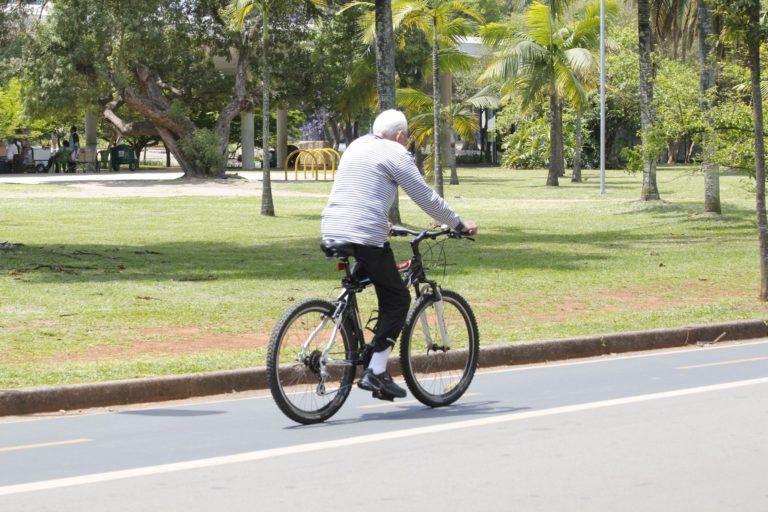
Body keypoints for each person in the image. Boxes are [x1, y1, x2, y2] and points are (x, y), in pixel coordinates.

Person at [321, 109, 478, 400]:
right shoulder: (395, 152)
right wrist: (457, 224)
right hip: (365, 234)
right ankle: (376, 370)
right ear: (399, 136)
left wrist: (383, 224)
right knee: (398, 298)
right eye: (405, 139)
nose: (405, 144)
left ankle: (365, 353)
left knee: (373, 275)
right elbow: (425, 197)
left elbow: (361, 190)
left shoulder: (356, 145)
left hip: (333, 227)